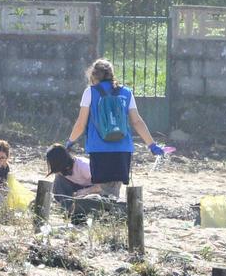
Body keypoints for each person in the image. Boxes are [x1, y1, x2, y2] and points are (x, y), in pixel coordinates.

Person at [63, 59, 165, 199]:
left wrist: (70, 142)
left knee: (102, 188)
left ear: (93, 75)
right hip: (122, 149)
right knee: (113, 191)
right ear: (112, 74)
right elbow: (137, 121)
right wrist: (151, 145)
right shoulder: (126, 92)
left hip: (99, 149)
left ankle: (92, 205)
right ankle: (110, 215)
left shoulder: (90, 92)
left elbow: (81, 123)